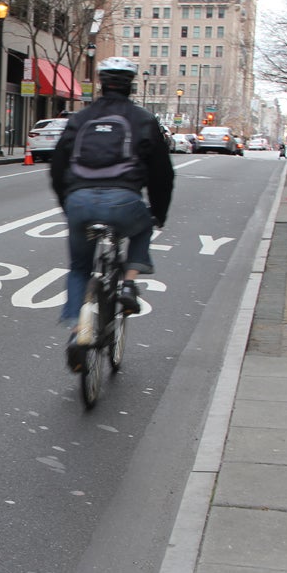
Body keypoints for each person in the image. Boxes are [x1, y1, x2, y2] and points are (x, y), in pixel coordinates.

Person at [50, 56, 174, 356]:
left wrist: (68, 204)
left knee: (80, 267)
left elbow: (57, 166)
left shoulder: (80, 118)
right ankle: (129, 284)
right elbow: (162, 173)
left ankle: (79, 332)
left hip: (80, 200)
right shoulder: (143, 119)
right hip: (124, 200)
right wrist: (158, 212)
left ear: (101, 83)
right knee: (144, 227)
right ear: (130, 85)